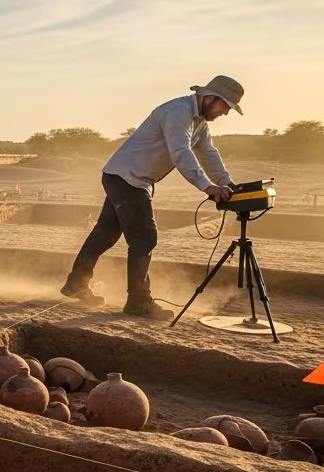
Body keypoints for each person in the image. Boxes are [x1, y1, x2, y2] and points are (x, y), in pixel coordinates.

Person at [60, 75, 245, 320]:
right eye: (225, 106)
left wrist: (226, 183)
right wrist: (207, 187)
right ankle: (138, 302)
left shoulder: (199, 122)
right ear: (210, 98)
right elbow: (181, 152)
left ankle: (76, 284)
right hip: (128, 178)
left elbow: (209, 153)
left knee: (105, 234)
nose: (226, 113)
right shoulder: (178, 112)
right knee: (145, 237)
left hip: (127, 178)